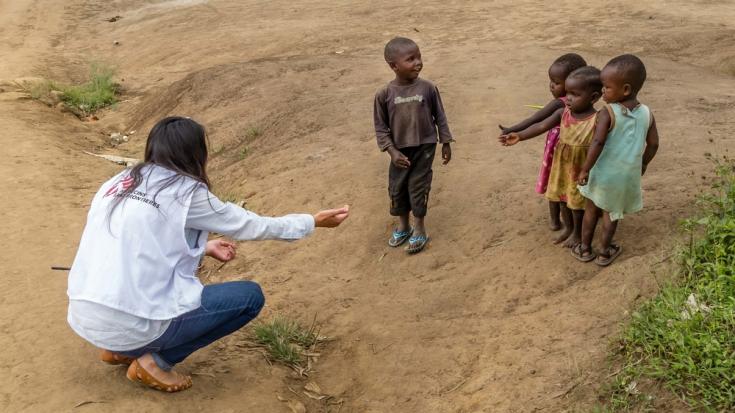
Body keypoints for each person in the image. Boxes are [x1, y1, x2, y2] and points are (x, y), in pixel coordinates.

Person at [67, 117, 349, 392]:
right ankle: (153, 362)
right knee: (249, 297)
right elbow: (250, 225)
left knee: (139, 296)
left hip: (86, 314)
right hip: (131, 322)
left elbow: (137, 242)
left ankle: (118, 349)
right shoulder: (186, 192)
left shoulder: (121, 180)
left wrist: (203, 247)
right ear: (194, 153)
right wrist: (312, 221)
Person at [499, 66, 602, 247]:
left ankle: (577, 233)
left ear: (593, 98)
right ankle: (568, 229)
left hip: (580, 169)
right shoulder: (563, 113)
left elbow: (601, 144)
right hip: (561, 165)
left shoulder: (598, 119)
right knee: (560, 198)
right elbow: (541, 126)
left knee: (577, 204)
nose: (568, 98)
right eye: (568, 93)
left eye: (575, 94)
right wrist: (520, 136)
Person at [572, 55, 659, 266]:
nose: (602, 91)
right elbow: (654, 144)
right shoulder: (647, 114)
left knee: (591, 210)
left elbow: (597, 143)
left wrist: (585, 169)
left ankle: (584, 249)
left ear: (626, 89)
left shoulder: (607, 112)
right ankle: (604, 252)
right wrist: (644, 163)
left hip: (603, 173)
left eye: (607, 87)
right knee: (612, 214)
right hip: (626, 176)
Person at [373, 37, 454, 254]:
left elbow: (440, 116)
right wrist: (391, 151)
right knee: (397, 188)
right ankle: (404, 226)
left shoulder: (428, 88)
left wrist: (445, 142)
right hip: (399, 151)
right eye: (411, 59)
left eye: (419, 57)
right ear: (394, 66)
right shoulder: (384, 94)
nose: (418, 62)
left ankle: (419, 229)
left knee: (418, 187)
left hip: (424, 147)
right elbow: (381, 128)